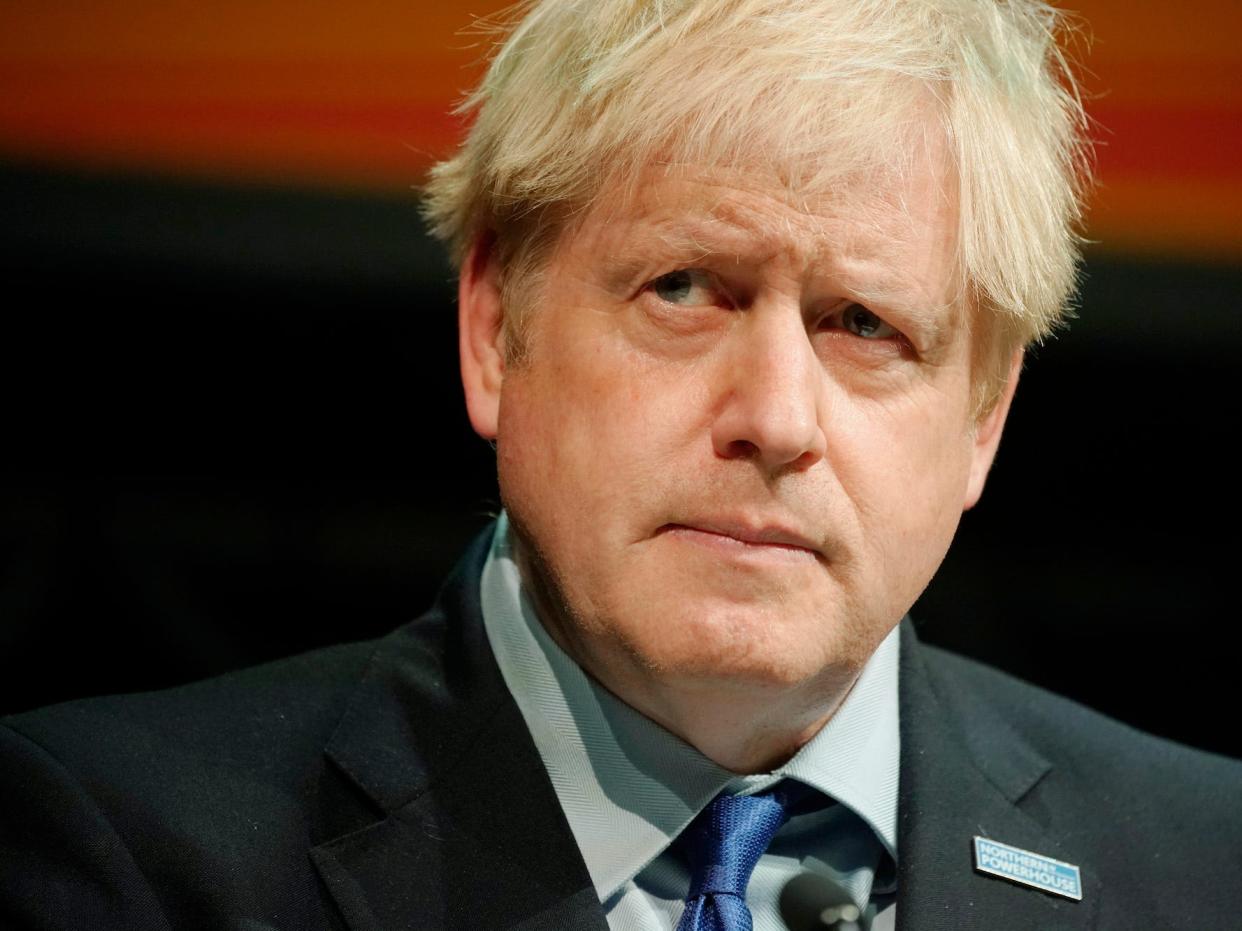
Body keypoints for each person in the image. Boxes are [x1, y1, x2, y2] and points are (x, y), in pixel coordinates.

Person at [2, 0, 1240, 928]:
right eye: (687, 288)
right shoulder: (122, 849)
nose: (776, 417)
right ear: (498, 325)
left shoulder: (1207, 866)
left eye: (865, 324)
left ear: (984, 417)